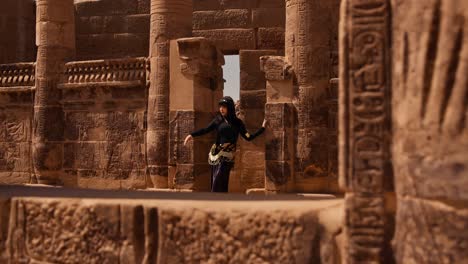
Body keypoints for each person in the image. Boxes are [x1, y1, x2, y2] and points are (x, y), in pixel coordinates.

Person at [184, 96, 266, 192]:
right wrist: (191, 135)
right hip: (217, 155)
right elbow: (205, 130)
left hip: (229, 155)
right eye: (220, 107)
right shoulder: (218, 120)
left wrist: (262, 129)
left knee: (222, 176)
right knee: (217, 177)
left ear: (230, 107)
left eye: (224, 107)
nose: (221, 109)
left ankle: (218, 197)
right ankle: (217, 199)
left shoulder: (238, 123)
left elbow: (248, 137)